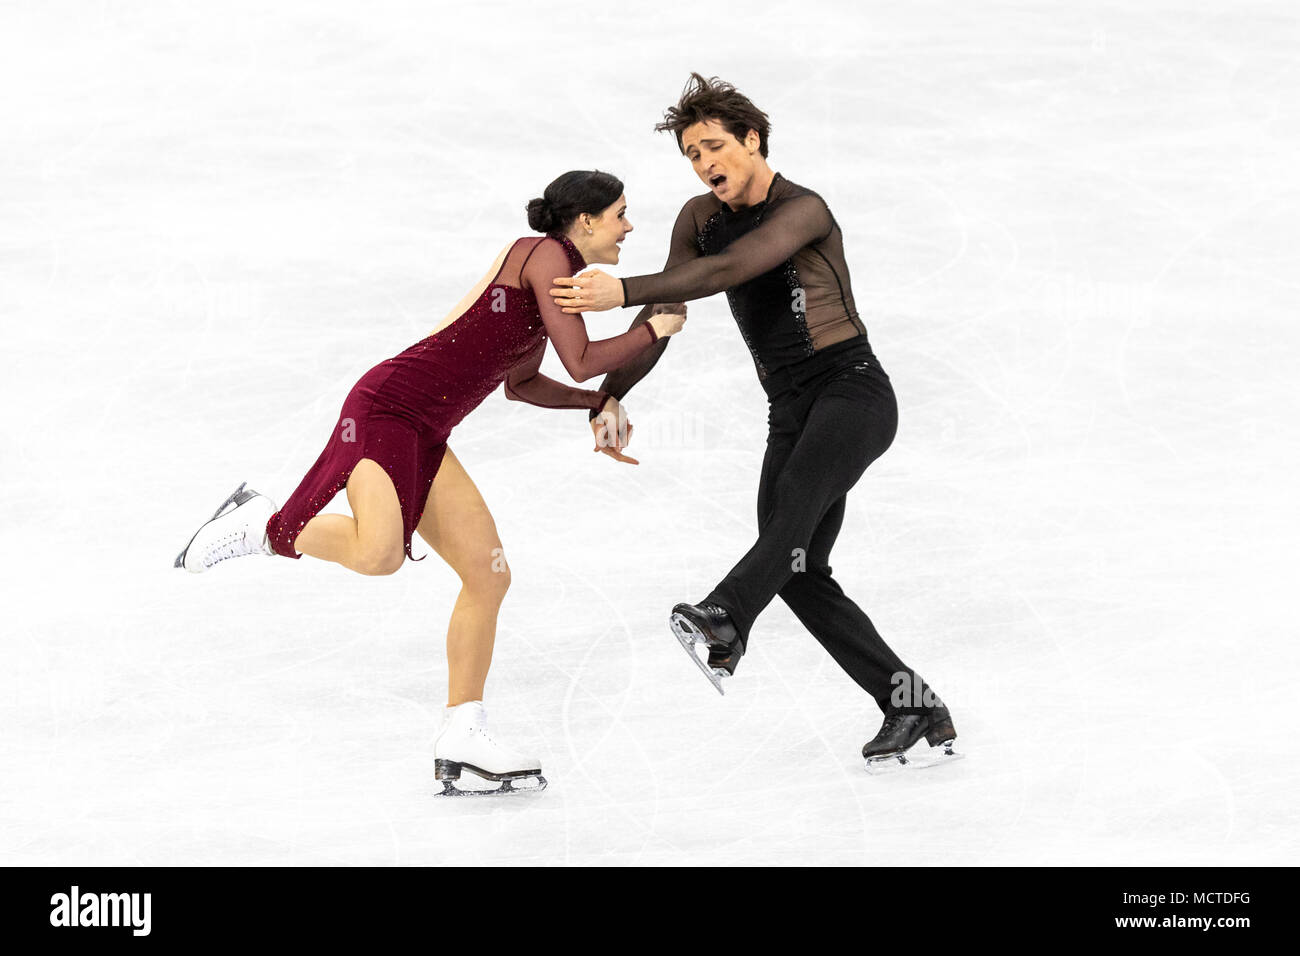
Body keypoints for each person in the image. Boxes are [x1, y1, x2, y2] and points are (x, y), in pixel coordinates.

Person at [174, 171, 686, 794]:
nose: (628, 227)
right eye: (620, 215)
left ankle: (463, 735)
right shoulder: (545, 255)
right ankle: (264, 526)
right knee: (379, 555)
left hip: (427, 425)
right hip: (388, 409)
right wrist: (649, 330)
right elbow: (582, 358)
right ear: (584, 221)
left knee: (487, 573)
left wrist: (591, 406)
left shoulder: (552, 280)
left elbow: (521, 382)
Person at [550, 75, 957, 771]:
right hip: (789, 407)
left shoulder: (804, 209)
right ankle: (910, 703)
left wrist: (622, 288)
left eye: (714, 147)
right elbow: (667, 316)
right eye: (691, 154)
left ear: (752, 140)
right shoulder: (697, 219)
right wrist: (611, 395)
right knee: (795, 566)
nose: (705, 164)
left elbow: (728, 270)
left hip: (851, 391)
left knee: (791, 517)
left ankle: (724, 617)